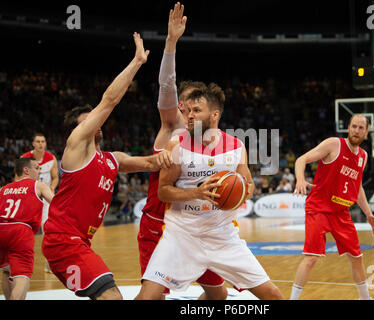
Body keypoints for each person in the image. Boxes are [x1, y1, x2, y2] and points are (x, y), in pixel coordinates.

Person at [41, 33, 172, 300]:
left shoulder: (112, 159)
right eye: (86, 120)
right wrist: (137, 62)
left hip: (80, 243)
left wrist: (183, 148)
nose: (94, 121)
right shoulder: (76, 146)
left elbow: (152, 162)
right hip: (63, 242)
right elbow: (109, 101)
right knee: (112, 297)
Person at [136, 83, 284, 300]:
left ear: (214, 114)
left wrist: (240, 190)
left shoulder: (236, 146)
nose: (190, 116)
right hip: (181, 235)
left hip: (222, 236)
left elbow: (249, 186)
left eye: (197, 111)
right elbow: (164, 192)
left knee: (273, 296)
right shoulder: (176, 145)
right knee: (147, 297)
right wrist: (196, 193)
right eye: (189, 111)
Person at [136, 2, 228, 300]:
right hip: (159, 224)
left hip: (194, 225)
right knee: (154, 297)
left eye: (194, 105)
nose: (187, 109)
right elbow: (166, 83)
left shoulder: (208, 138)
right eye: (184, 103)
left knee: (219, 296)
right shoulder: (172, 125)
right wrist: (171, 42)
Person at [290, 114, 374, 300]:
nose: (356, 131)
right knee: (311, 258)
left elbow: (357, 188)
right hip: (319, 209)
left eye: (360, 128)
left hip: (341, 212)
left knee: (357, 257)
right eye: (353, 126)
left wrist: (369, 213)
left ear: (366, 131)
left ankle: (365, 298)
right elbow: (301, 160)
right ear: (348, 127)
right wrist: (300, 178)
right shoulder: (334, 144)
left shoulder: (362, 156)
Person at [0, 157, 54, 299]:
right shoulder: (39, 185)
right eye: (36, 168)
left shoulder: (3, 189)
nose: (38, 171)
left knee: (6, 271)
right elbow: (56, 204)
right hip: (21, 231)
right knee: (22, 276)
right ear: (26, 170)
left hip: (1, 228)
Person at [21, 133, 59, 273]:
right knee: (23, 230)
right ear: (33, 144)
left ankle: (48, 262)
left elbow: (55, 177)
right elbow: (17, 179)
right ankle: (18, 260)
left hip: (45, 198)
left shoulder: (51, 158)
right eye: (38, 141)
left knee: (47, 229)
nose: (41, 144)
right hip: (29, 197)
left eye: (43, 141)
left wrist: (52, 188)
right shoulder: (24, 159)